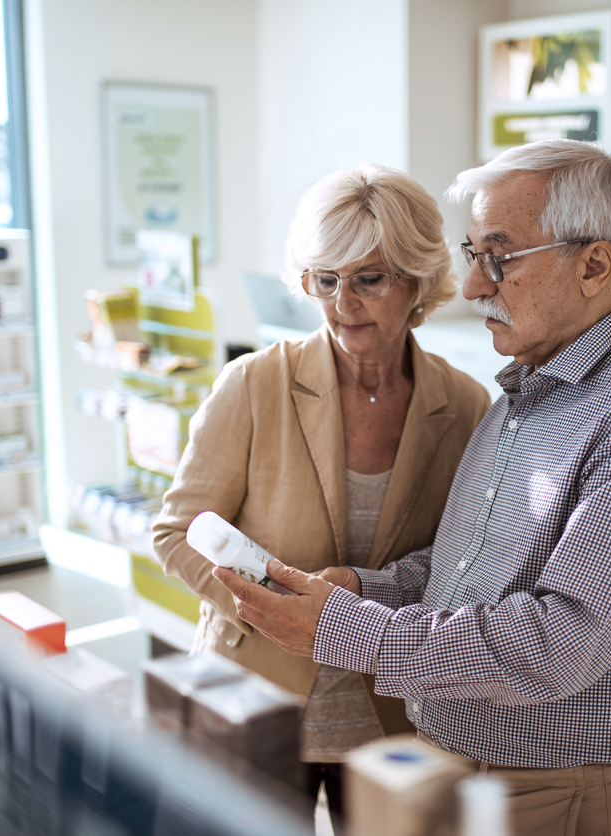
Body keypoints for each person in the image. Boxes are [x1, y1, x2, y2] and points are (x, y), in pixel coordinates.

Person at [210, 140, 611, 836]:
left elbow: (559, 642)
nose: (476, 284)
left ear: (594, 264)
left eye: (500, 257)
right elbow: (468, 569)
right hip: (474, 770)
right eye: (472, 253)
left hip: (571, 792)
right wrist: (370, 589)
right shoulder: (525, 397)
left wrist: (349, 629)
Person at [152, 164, 492, 830]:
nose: (342, 305)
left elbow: (462, 564)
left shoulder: (463, 406)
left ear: (417, 280)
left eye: (368, 279)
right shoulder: (252, 385)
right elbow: (175, 532)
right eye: (324, 281)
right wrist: (271, 613)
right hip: (255, 689)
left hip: (390, 716)